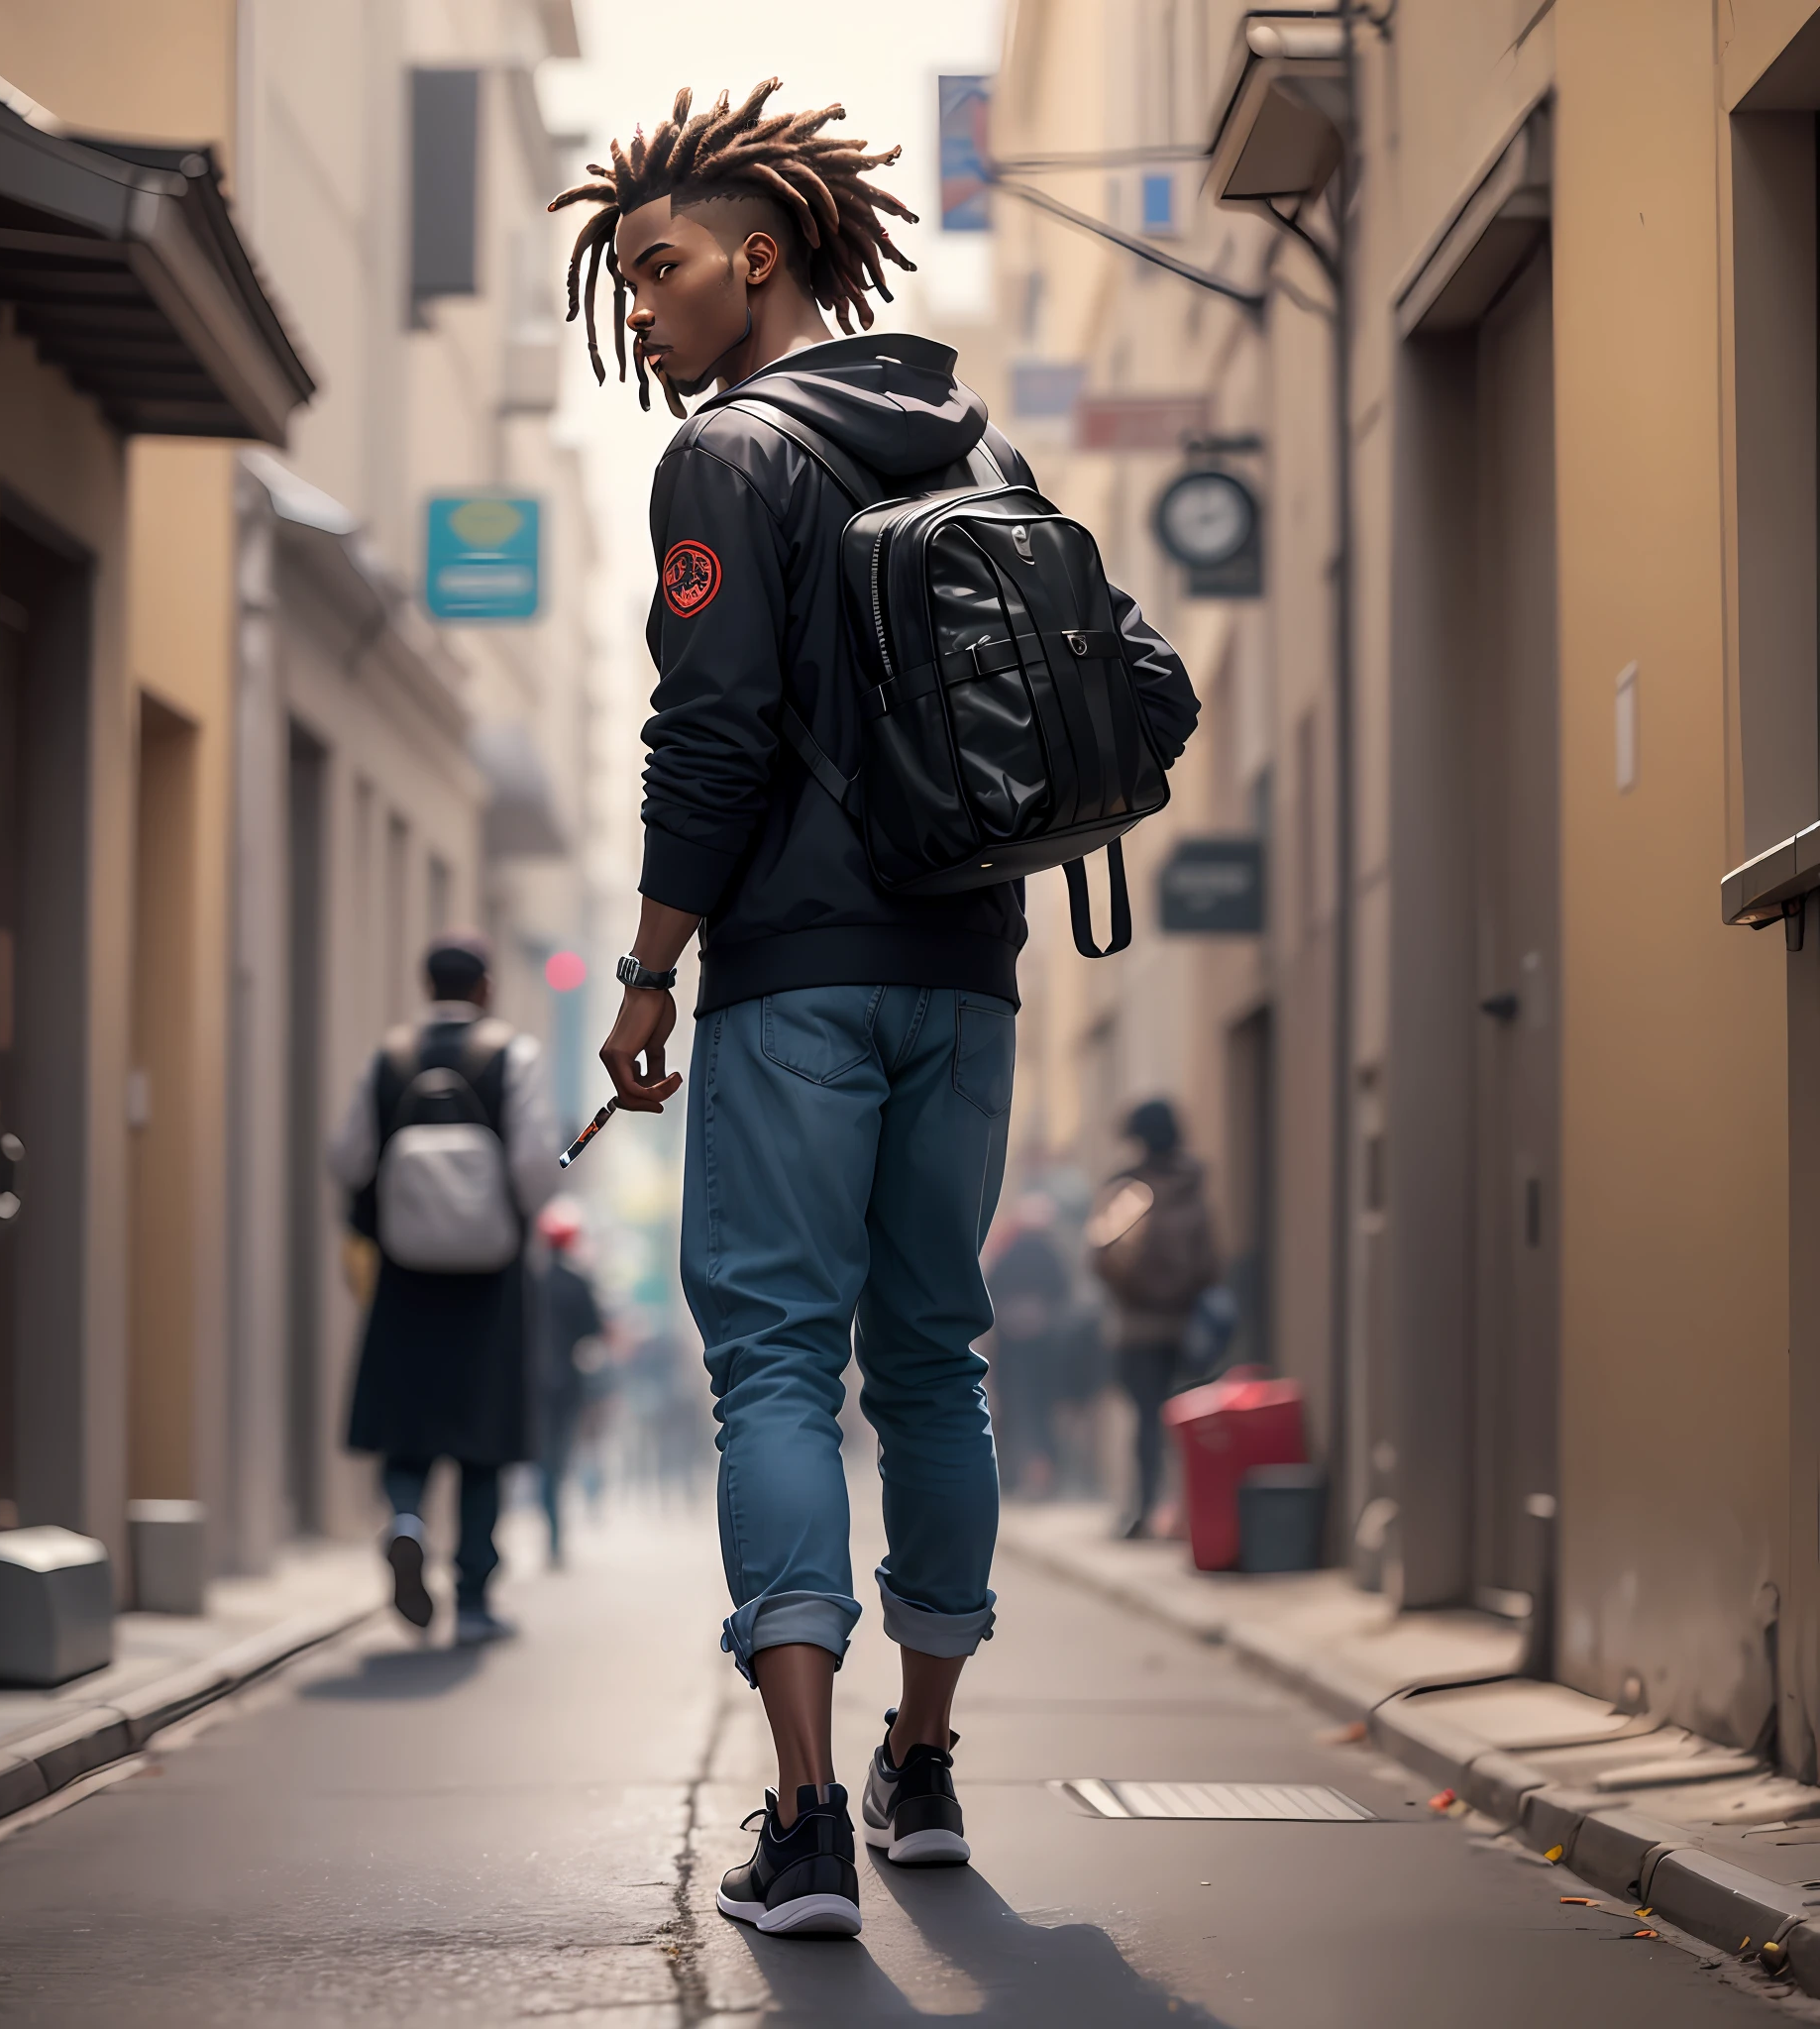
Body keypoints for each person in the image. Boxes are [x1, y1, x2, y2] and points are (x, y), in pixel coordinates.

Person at [554, 80, 1200, 1938]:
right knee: (932, 1359)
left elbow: (712, 731)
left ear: (760, 260)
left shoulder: (725, 458)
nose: (645, 306)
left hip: (793, 986)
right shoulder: (974, 443)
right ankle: (923, 1769)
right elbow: (1139, 679)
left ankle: (809, 1818)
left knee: (771, 1362)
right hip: (966, 975)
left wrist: (653, 970)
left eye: (658, 267)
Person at [327, 932, 560, 1644]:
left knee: (407, 1427)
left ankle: (405, 1520)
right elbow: (533, 1169)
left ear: (426, 986)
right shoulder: (512, 1057)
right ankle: (477, 1599)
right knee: (483, 1441)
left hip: (406, 1274)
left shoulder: (388, 1059)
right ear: (486, 987)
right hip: (489, 1281)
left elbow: (346, 1158)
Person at [1093, 1099, 1220, 1542]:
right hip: (1186, 1326)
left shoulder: (1126, 1188)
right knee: (1192, 1425)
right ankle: (1191, 1515)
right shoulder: (1193, 1184)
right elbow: (1209, 1261)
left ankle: (1145, 1511)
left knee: (1146, 1422)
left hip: (1137, 1328)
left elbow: (1101, 1256)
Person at [529, 1199, 603, 1567]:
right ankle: (555, 1539)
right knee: (558, 1460)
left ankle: (551, 1532)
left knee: (543, 1461)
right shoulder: (577, 1283)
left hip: (533, 1385)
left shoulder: (533, 1282)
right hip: (568, 1385)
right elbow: (594, 1330)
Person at [983, 1195, 1071, 1497]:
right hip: (1043, 1346)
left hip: (1011, 1345)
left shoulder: (1008, 1252)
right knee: (1040, 1409)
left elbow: (989, 1288)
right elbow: (1063, 1291)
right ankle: (1045, 1475)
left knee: (1013, 1407)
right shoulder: (1051, 1254)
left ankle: (1013, 1475)